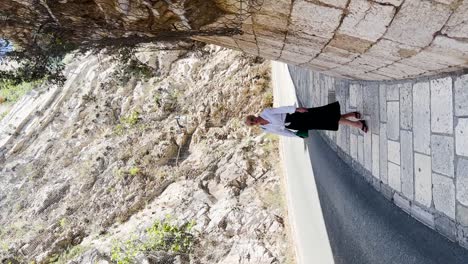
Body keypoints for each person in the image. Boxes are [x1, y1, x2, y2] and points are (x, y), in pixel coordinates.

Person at [245, 101, 367, 138]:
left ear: (253, 116)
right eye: (251, 123)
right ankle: (351, 115)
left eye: (252, 119)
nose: (253, 122)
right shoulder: (265, 128)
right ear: (253, 125)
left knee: (326, 116)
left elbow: (281, 109)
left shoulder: (266, 112)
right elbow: (281, 132)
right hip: (296, 125)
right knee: (326, 120)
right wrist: (296, 135)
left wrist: (297, 109)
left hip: (296, 115)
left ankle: (357, 124)